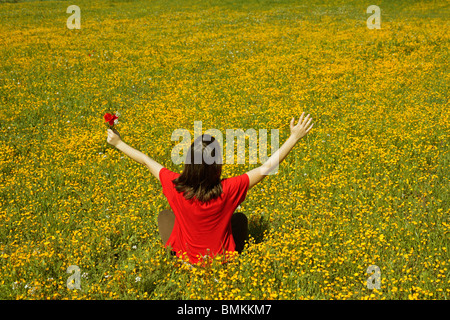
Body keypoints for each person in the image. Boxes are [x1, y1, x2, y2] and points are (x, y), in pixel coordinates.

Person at [106, 113, 313, 264]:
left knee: (165, 216)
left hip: (187, 260)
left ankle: (180, 258)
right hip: (221, 260)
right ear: (217, 164)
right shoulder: (229, 188)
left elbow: (145, 160)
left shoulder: (174, 184)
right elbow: (266, 168)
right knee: (239, 219)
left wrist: (118, 143)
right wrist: (294, 137)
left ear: (188, 162)